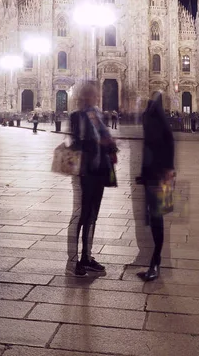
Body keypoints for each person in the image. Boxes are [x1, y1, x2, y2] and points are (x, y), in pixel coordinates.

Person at [70, 82, 118, 276]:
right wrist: (101, 141)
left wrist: (111, 146)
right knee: (84, 215)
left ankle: (87, 257)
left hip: (99, 170)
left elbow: (104, 134)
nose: (97, 96)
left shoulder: (96, 113)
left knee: (92, 215)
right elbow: (80, 140)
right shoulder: (78, 115)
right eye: (93, 94)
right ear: (85, 96)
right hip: (86, 170)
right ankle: (77, 261)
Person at [136, 91, 175, 281]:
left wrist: (168, 171)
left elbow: (167, 146)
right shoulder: (154, 124)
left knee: (157, 218)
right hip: (154, 177)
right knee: (153, 218)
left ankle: (155, 263)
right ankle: (154, 260)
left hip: (161, 178)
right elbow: (149, 152)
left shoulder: (157, 125)